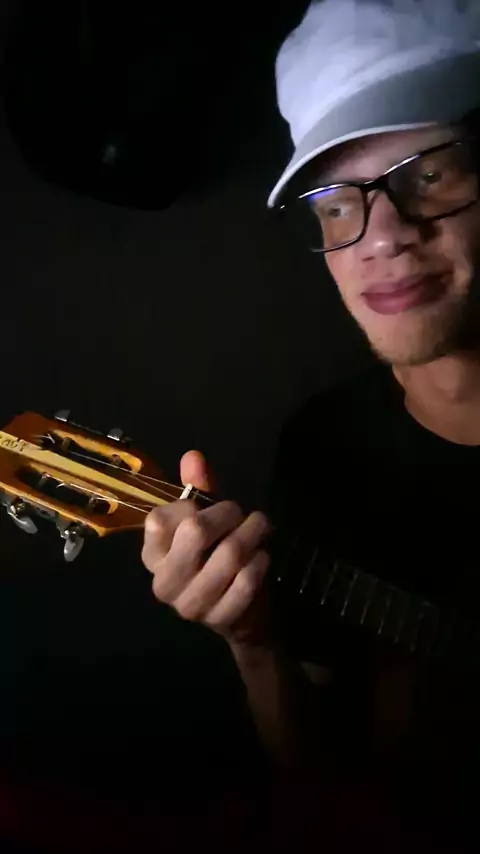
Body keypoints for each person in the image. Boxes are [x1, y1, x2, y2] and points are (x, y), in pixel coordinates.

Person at [142, 0, 480, 839]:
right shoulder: (327, 450)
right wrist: (254, 643)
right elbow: (324, 799)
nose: (381, 237)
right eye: (334, 202)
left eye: (427, 174)